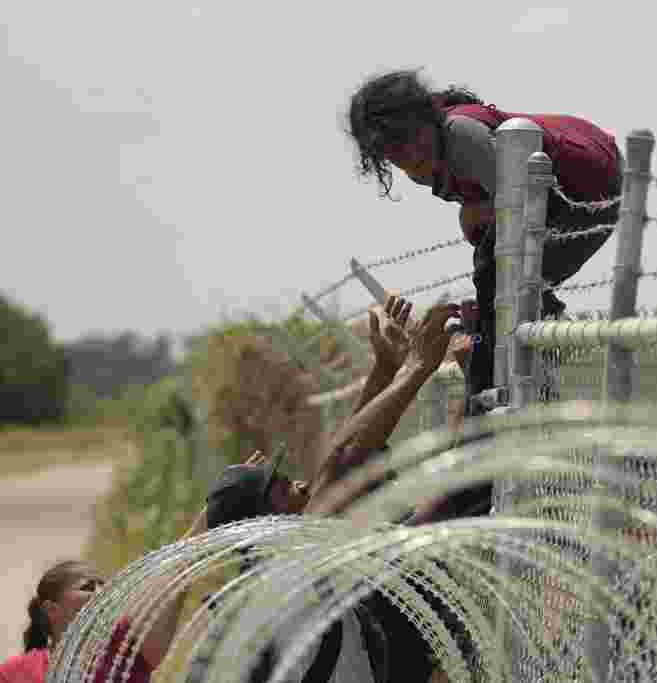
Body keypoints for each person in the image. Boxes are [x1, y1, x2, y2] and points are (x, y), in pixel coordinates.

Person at [199, 297, 463, 683]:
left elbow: (340, 461)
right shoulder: (293, 568)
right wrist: (417, 366)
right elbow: (343, 459)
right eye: (285, 487)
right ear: (264, 517)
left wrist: (386, 369)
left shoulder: (270, 577)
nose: (302, 485)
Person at [346, 69, 623, 405]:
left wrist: (477, 217)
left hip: (590, 182)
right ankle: (517, 367)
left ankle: (507, 381)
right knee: (496, 277)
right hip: (549, 196)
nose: (409, 154)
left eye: (409, 138)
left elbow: (519, 205)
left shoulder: (460, 134)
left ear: (425, 118)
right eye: (393, 151)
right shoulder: (424, 165)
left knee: (494, 271)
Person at [0, 507, 208, 683]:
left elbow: (179, 569)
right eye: (88, 587)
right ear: (51, 609)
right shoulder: (16, 673)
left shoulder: (127, 649)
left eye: (103, 586)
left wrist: (215, 506)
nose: (101, 593)